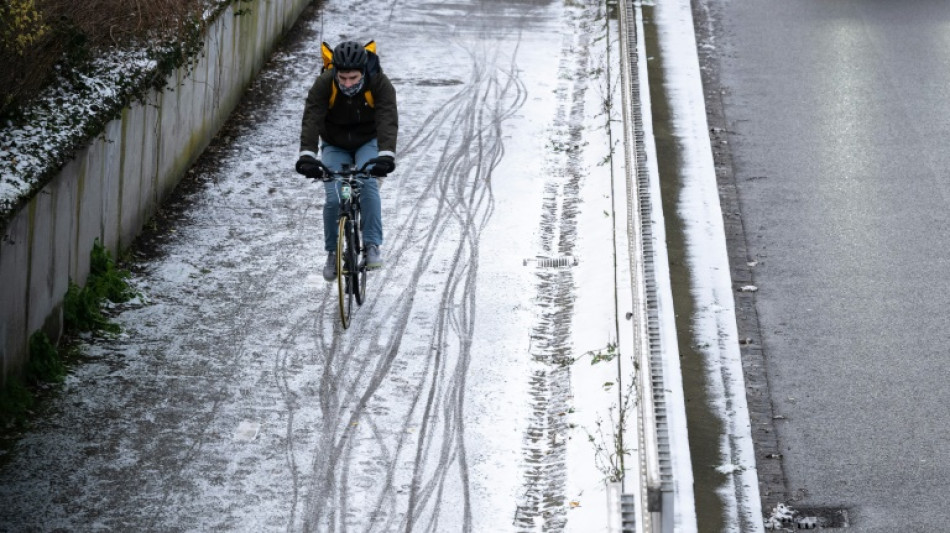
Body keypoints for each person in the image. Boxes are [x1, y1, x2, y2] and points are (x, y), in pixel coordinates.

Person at [295, 41, 398, 281]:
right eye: (343, 78)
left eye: (353, 78)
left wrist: (386, 155)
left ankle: (372, 245)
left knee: (367, 183)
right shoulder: (325, 83)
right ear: (336, 73)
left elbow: (387, 117)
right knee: (334, 196)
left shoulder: (379, 83)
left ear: (362, 72)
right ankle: (332, 252)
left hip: (367, 141)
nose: (347, 83)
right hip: (334, 143)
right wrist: (307, 155)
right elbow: (312, 116)